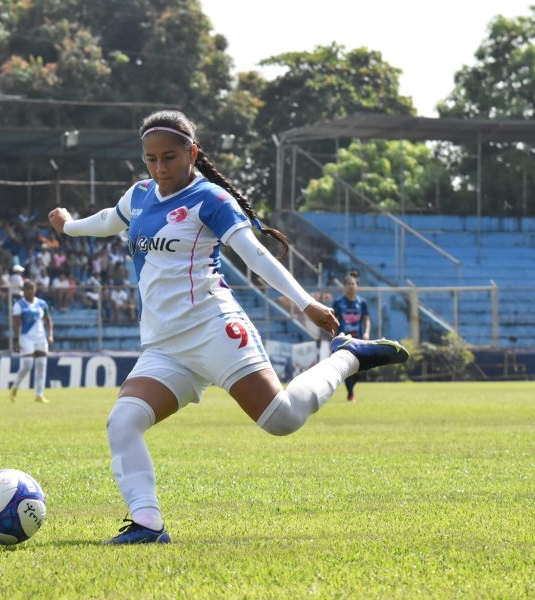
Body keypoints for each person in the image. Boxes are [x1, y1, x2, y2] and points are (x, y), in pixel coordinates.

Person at [47, 110, 409, 544]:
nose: (160, 169)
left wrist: (307, 303)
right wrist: (69, 226)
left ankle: (348, 356)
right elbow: (108, 219)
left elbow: (254, 256)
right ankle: (148, 525)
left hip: (214, 329)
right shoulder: (140, 195)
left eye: (169, 157)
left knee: (282, 420)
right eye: (151, 159)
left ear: (192, 153)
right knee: (122, 422)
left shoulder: (211, 199)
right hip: (164, 346)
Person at [9, 279, 54, 404]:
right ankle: (15, 387)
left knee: (41, 365)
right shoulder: (19, 305)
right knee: (28, 364)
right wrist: (16, 341)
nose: (30, 291)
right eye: (27, 289)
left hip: (40, 337)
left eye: (32, 289)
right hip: (26, 337)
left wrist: (50, 335)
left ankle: (39, 394)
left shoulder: (42, 304)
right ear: (23, 291)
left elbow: (48, 320)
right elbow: (16, 324)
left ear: (35, 290)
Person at [332, 273, 371, 401]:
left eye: (353, 284)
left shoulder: (362, 303)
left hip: (358, 340)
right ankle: (350, 394)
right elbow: (333, 320)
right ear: (344, 286)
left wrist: (366, 333)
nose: (350, 286)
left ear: (357, 286)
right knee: (349, 367)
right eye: (348, 284)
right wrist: (333, 336)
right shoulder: (338, 303)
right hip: (344, 341)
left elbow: (366, 319)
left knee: (361, 370)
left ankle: (351, 390)